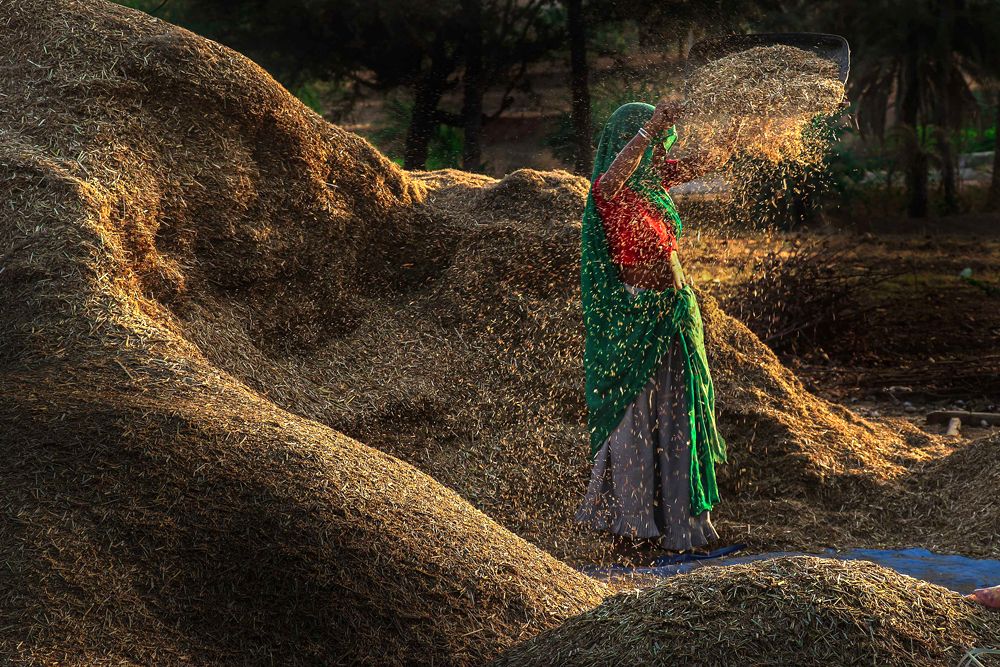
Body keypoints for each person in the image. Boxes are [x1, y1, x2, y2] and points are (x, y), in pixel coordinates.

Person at [575, 100, 728, 559]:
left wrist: (739, 124)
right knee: (633, 420)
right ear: (629, 139)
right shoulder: (611, 190)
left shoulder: (654, 182)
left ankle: (683, 530)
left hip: (674, 314)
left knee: (680, 417)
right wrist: (651, 126)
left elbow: (710, 161)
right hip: (635, 319)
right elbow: (616, 176)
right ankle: (631, 527)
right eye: (655, 144)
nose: (661, 154)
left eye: (663, 145)